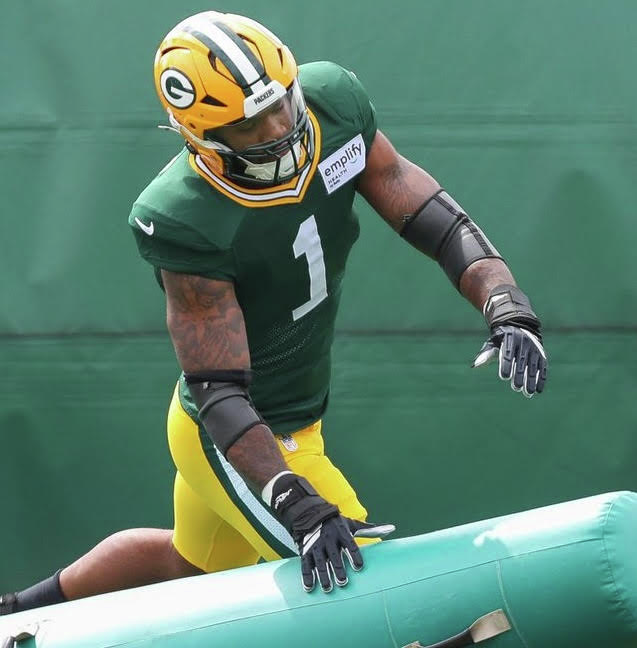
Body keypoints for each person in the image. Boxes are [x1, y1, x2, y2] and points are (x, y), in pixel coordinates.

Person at [1, 10, 547, 615]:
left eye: (281, 104)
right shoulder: (185, 216)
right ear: (202, 136)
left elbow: (435, 220)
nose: (279, 127)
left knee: (187, 567)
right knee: (372, 591)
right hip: (235, 434)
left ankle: (16, 611)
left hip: (296, 414)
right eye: (249, 125)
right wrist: (295, 500)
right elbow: (219, 390)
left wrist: (504, 302)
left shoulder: (332, 106)